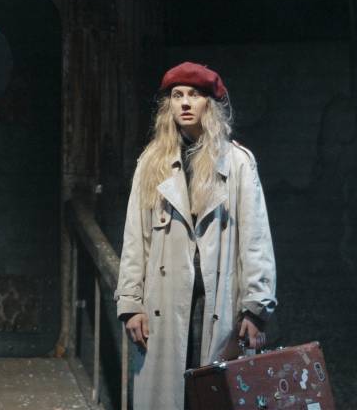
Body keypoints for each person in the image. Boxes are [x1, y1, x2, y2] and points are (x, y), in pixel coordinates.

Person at [114, 62, 277, 409]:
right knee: (168, 397)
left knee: (213, 394)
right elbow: (135, 238)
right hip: (165, 302)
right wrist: (130, 303)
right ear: (168, 105)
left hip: (217, 302)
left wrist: (255, 309)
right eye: (177, 96)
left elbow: (256, 239)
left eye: (194, 95)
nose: (185, 103)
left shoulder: (237, 163)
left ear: (209, 105)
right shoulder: (152, 163)